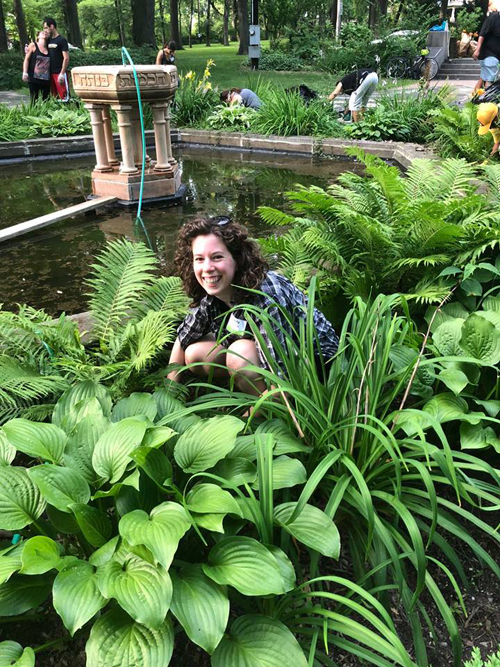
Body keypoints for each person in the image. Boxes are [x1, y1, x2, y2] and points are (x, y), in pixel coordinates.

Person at [167, 217, 339, 395]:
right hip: (260, 352)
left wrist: (244, 421)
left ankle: (271, 412)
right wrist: (168, 397)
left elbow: (283, 378)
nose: (207, 268)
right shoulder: (211, 292)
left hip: (314, 364)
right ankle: (246, 385)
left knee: (239, 354)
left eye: (217, 257)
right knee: (195, 354)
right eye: (199, 259)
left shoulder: (265, 295)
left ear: (237, 259)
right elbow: (183, 338)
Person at [473, 2, 500, 88]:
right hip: (488, 53)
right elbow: (482, 35)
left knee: (483, 77)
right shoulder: (493, 18)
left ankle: (475, 98)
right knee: (489, 76)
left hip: (497, 54)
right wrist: (477, 50)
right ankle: (488, 98)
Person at [43, 17, 69, 101]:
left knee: (64, 97)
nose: (45, 30)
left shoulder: (62, 40)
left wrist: (62, 73)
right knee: (54, 98)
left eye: (46, 28)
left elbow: (66, 58)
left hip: (59, 73)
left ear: (52, 26)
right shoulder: (48, 40)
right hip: (50, 74)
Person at [22, 30, 50, 102]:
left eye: (46, 33)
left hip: (46, 79)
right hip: (34, 78)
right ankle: (33, 113)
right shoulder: (33, 45)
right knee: (34, 99)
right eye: (42, 32)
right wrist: (25, 72)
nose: (44, 33)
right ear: (38, 36)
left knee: (46, 99)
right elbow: (27, 59)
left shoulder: (49, 47)